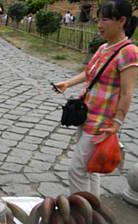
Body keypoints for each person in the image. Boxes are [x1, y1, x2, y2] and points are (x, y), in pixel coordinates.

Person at [53, 0, 137, 197]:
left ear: (122, 21)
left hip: (102, 122)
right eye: (98, 19)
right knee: (90, 168)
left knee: (76, 169)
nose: (99, 24)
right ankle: (93, 211)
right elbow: (89, 73)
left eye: (105, 19)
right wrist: (67, 83)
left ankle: (81, 214)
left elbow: (127, 92)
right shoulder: (104, 48)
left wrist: (117, 122)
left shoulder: (129, 52)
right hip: (87, 116)